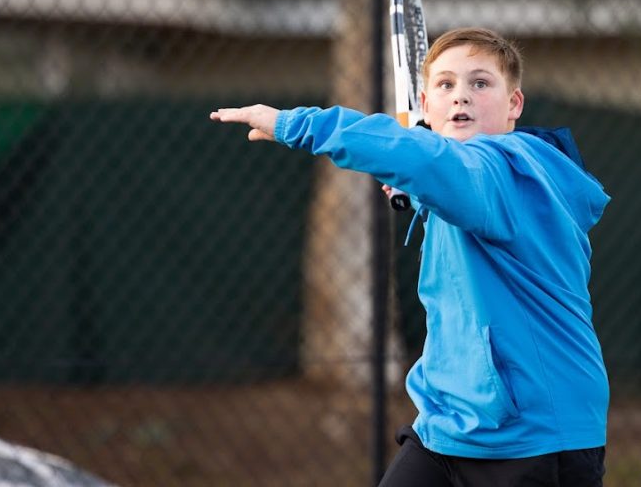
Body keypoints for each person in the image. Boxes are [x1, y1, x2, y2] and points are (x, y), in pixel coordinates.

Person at [211, 27, 610, 487]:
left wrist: (296, 125)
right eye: (446, 85)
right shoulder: (462, 184)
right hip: (450, 429)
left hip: (537, 435)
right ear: (426, 105)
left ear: (513, 105)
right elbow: (441, 176)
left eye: (480, 83)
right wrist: (424, 192)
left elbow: (433, 162)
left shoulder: (502, 168)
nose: (461, 96)